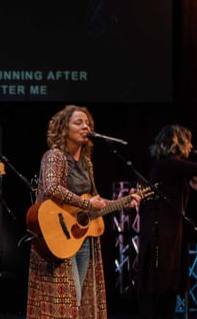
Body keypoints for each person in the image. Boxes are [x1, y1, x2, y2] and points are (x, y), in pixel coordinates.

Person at [26, 104, 142, 319]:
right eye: (78, 122)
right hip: (56, 237)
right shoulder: (55, 156)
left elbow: (93, 201)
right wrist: (87, 205)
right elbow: (52, 188)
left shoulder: (87, 163)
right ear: (63, 128)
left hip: (82, 239)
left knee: (78, 304)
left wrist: (123, 202)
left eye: (87, 123)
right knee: (67, 301)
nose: (85, 126)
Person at [136, 124, 197, 318]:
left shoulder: (173, 167)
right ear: (178, 142)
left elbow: (186, 193)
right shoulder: (168, 164)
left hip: (171, 229)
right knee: (160, 281)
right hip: (160, 231)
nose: (191, 146)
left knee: (172, 280)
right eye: (188, 141)